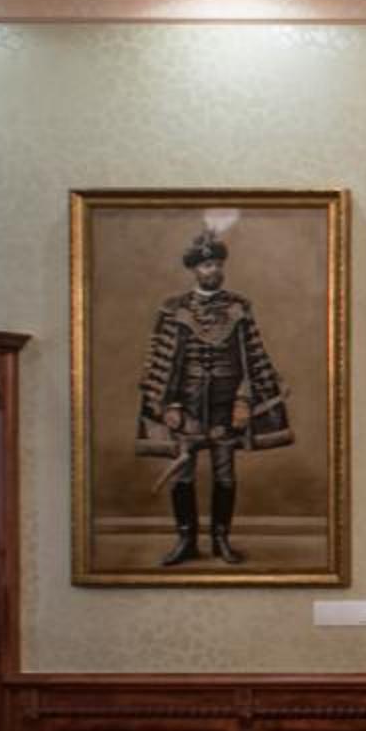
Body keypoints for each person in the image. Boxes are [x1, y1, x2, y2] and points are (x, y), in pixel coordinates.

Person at [137, 228, 291, 566]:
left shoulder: (239, 307)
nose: (213, 270)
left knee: (225, 474)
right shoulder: (173, 309)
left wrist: (244, 400)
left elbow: (252, 357)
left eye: (218, 264)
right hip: (187, 406)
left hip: (226, 405)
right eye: (206, 265)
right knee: (183, 473)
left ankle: (221, 539)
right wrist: (170, 404)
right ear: (194, 269)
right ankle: (186, 540)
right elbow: (162, 360)